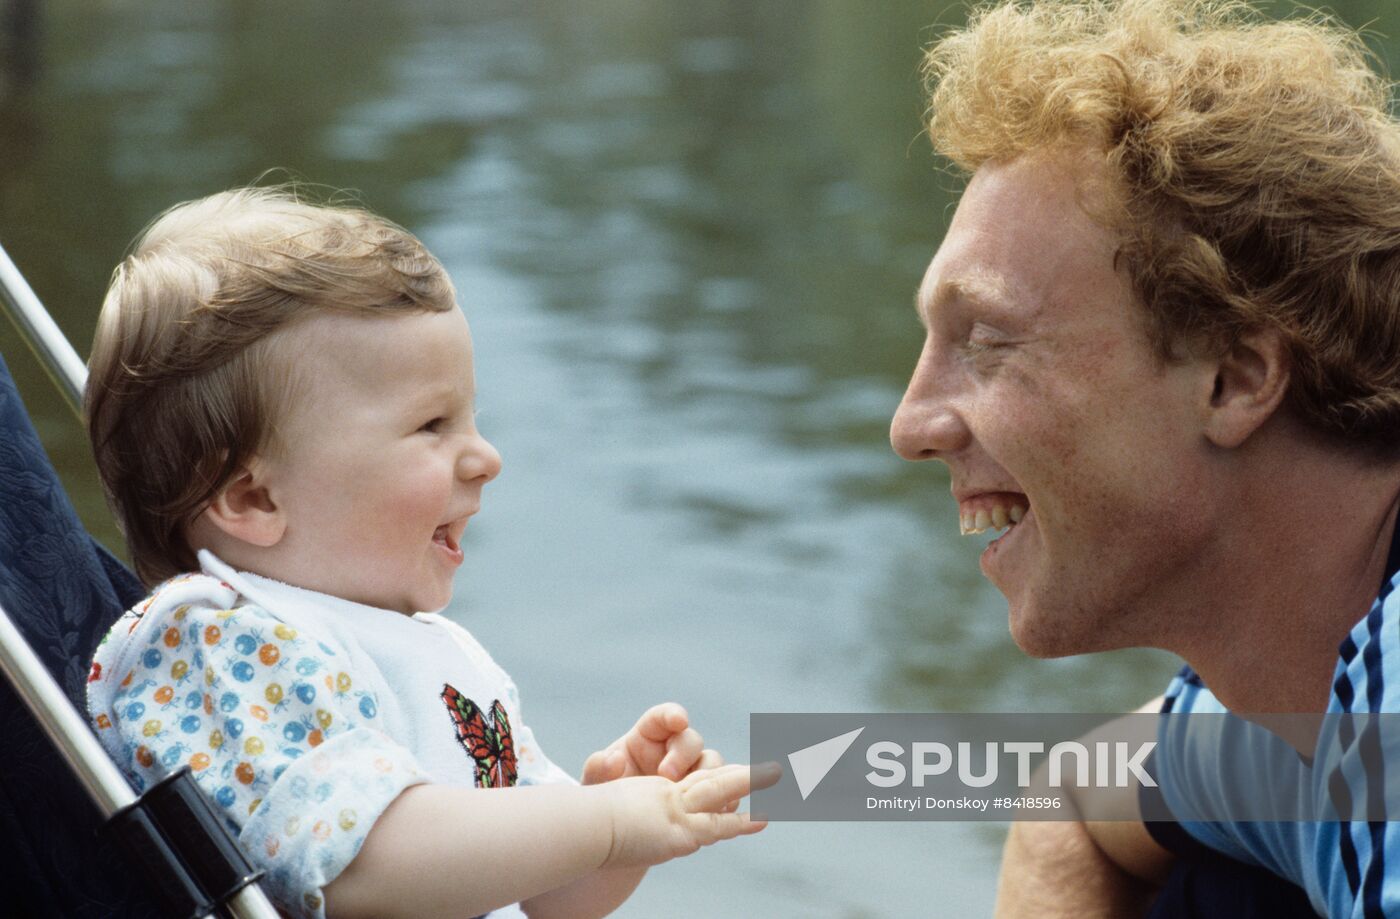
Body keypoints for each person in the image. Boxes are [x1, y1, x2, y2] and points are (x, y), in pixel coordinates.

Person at [83, 187, 767, 919]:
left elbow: (544, 899)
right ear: (253, 498)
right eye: (431, 424)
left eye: (471, 417)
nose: (486, 457)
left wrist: (619, 832)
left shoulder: (431, 650)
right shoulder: (223, 644)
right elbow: (369, 867)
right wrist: (604, 825)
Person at [890, 0, 1400, 915]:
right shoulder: (1311, 724)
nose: (912, 424)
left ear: (1235, 378)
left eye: (990, 341)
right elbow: (1070, 805)